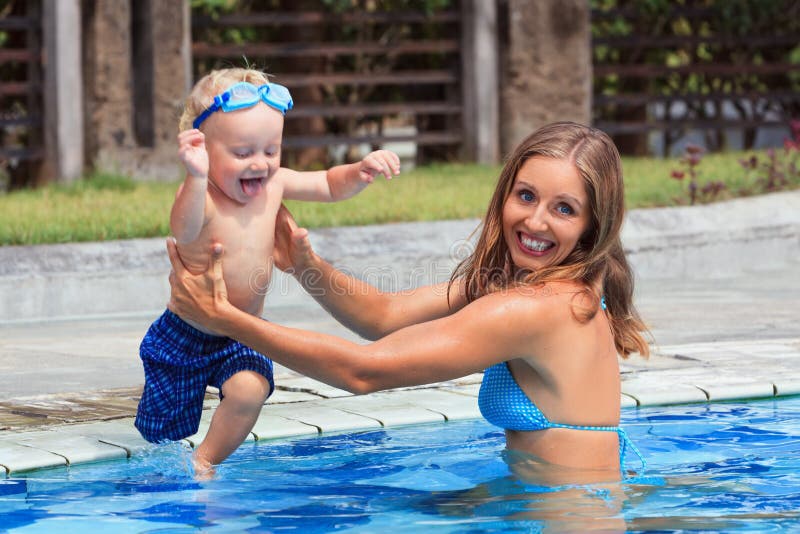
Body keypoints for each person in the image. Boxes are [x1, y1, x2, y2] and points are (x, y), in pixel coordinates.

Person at [166, 121, 650, 482]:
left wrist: (224, 318)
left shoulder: (535, 308)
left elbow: (364, 370)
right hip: (558, 502)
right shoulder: (542, 283)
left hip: (568, 518)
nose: (536, 222)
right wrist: (302, 264)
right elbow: (385, 317)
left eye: (564, 209)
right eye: (526, 196)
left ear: (593, 225)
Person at [134, 67, 400, 477]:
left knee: (250, 390)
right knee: (161, 432)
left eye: (271, 150)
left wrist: (359, 173)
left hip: (243, 328)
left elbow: (328, 184)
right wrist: (195, 175)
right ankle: (165, 467)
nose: (260, 163)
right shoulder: (201, 195)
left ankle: (204, 460)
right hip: (185, 331)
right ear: (204, 149)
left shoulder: (273, 185)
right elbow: (181, 228)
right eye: (243, 153)